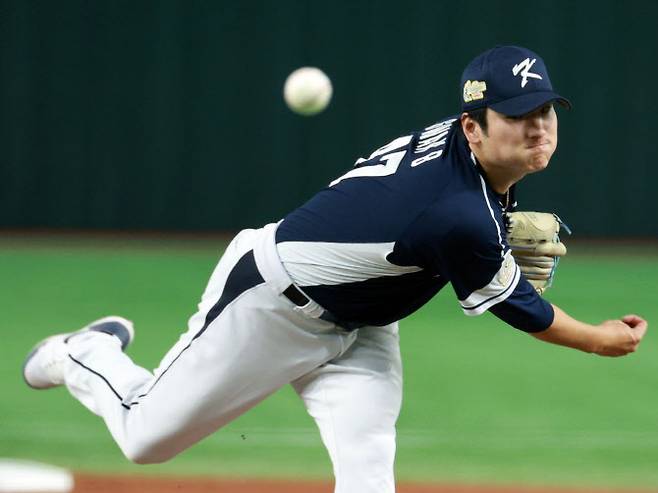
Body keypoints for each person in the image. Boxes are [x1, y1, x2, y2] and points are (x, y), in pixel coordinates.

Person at [23, 45, 648, 493]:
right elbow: (523, 310)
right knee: (143, 440)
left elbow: (445, 225)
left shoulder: (466, 171)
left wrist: (492, 234)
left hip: (365, 324)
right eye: (518, 116)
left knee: (369, 469)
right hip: (270, 302)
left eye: (546, 111)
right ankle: (86, 352)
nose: (539, 128)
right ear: (473, 128)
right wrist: (599, 340)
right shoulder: (456, 212)